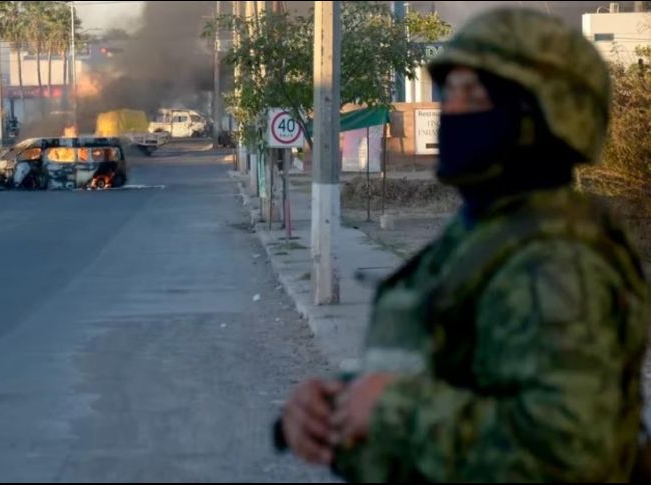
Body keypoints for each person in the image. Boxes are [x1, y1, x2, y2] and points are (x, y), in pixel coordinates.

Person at [276, 8, 649, 482]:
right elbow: (446, 380)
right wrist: (336, 411)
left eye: (473, 95)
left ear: (546, 112)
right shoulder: (479, 238)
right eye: (447, 93)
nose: (450, 111)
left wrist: (393, 409)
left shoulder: (562, 262)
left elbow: (570, 450)